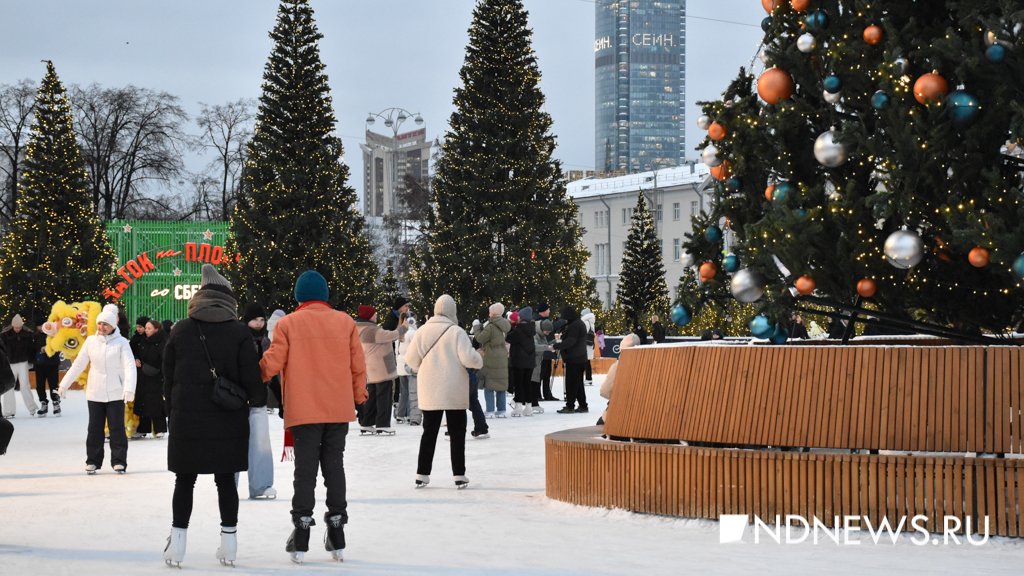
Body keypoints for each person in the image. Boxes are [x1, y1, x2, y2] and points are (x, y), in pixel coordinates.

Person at [260, 270, 367, 564]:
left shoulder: (288, 324)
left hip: (304, 411)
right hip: (337, 408)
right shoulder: (345, 322)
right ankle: (337, 528)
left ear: (298, 297)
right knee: (335, 466)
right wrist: (359, 397)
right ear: (324, 295)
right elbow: (358, 364)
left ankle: (302, 529)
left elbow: (273, 361)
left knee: (305, 472)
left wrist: (253, 375)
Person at [160, 265, 265, 568]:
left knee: (184, 480)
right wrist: (256, 400)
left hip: (187, 420)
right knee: (225, 482)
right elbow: (252, 379)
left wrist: (173, 411)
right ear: (227, 299)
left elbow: (167, 378)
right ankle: (229, 544)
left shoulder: (180, 329)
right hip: (228, 419)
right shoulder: (240, 332)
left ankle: (177, 545)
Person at [405, 294, 483, 489]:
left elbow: (412, 361)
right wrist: (479, 357)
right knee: (457, 433)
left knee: (428, 432)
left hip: (430, 389)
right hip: (453, 389)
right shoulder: (457, 332)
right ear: (452, 311)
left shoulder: (422, 331)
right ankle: (459, 474)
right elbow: (469, 359)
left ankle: (422, 474)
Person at [57, 304, 136, 474]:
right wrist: (64, 383)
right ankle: (92, 460)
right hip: (95, 392)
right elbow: (79, 364)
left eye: (105, 324)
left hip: (115, 392)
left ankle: (119, 460)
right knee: (94, 428)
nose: (101, 327)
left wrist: (129, 388)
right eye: (99, 324)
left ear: (112, 326)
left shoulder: (122, 343)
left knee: (116, 428)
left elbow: (130, 366)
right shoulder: (91, 342)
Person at [241, 303, 276, 499]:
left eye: (262, 319)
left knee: (261, 442)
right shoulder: (239, 338)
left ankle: (261, 485)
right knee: (237, 442)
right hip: (239, 398)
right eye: (255, 319)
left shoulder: (266, 341)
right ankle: (230, 482)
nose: (258, 323)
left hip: (259, 398)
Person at [355, 304, 407, 435]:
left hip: (370, 367)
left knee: (372, 396)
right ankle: (382, 424)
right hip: (380, 368)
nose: (376, 315)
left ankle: (367, 423)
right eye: (374, 314)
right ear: (368, 316)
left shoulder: (359, 328)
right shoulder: (371, 330)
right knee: (384, 395)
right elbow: (390, 335)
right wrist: (403, 328)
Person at [474, 303, 511, 418]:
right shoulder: (505, 325)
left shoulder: (490, 326)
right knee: (501, 384)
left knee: (489, 385)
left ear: (493, 313)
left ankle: (490, 411)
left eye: (490, 312)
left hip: (491, 356)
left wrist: (476, 327)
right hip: (502, 356)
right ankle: (502, 410)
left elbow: (480, 338)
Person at [132, 319, 167, 438]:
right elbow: (137, 353)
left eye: (149, 328)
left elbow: (165, 359)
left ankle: (159, 429)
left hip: (156, 377)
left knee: (156, 403)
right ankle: (143, 429)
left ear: (156, 329)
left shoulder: (162, 341)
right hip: (143, 376)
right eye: (146, 328)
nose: (146, 330)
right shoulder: (144, 341)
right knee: (143, 402)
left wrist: (157, 370)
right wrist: (136, 359)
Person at [1, 315, 39, 417]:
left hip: (23, 363)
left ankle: (32, 408)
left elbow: (31, 349)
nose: (17, 329)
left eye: (19, 327)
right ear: (12, 326)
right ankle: (9, 411)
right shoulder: (5, 335)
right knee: (9, 386)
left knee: (25, 386)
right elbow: (2, 350)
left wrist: (31, 361)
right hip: (10, 363)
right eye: (15, 327)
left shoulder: (27, 334)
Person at [597, 333, 641, 426]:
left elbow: (605, 391)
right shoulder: (649, 364)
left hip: (619, 413)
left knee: (600, 424)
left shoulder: (618, 365)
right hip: (642, 412)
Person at [554, 306, 589, 414]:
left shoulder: (575, 325)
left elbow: (571, 341)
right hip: (579, 357)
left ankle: (570, 406)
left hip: (574, 358)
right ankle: (583, 405)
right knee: (578, 383)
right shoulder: (577, 323)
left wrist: (557, 346)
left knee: (571, 383)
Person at [506, 305, 537, 417]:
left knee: (518, 384)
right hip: (529, 362)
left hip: (519, 361)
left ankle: (518, 407)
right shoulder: (531, 329)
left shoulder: (519, 330)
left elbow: (508, 338)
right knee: (527, 384)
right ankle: (528, 407)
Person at [395, 315, 421, 425]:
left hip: (400, 364)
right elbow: (416, 348)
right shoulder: (412, 333)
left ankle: (400, 414)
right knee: (413, 392)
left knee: (403, 392)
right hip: (410, 364)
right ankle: (412, 415)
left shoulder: (398, 332)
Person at [33, 324, 61, 417]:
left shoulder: (54, 334)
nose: (41, 328)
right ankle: (43, 403)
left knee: (53, 385)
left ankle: (56, 403)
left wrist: (47, 348)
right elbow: (31, 349)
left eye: (42, 325)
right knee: (40, 385)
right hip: (39, 365)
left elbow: (58, 346)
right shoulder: (35, 336)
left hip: (52, 364)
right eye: (39, 326)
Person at [536, 303, 558, 401]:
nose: (549, 311)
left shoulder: (544, 320)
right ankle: (538, 394)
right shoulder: (539, 322)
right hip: (543, 352)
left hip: (547, 351)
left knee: (546, 374)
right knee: (540, 374)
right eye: (548, 310)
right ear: (544, 311)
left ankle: (546, 393)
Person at [581, 308, 596, 385]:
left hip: (585, 344)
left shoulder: (585, 322)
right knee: (587, 362)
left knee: (584, 362)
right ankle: (588, 378)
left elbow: (583, 333)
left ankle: (587, 379)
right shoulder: (591, 321)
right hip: (589, 344)